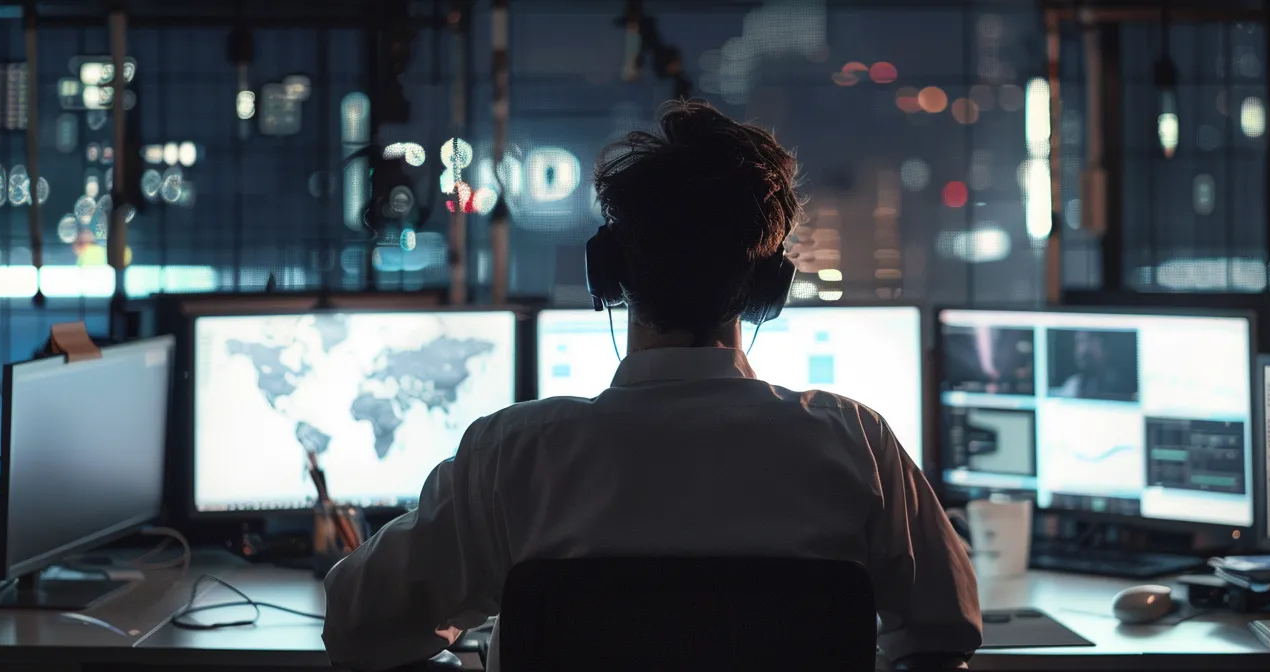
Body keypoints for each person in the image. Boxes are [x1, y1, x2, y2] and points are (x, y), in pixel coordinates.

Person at [323, 100, 982, 670]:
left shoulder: (513, 455)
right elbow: (944, 632)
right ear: (768, 290)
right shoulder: (856, 443)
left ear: (608, 273)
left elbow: (356, 624)